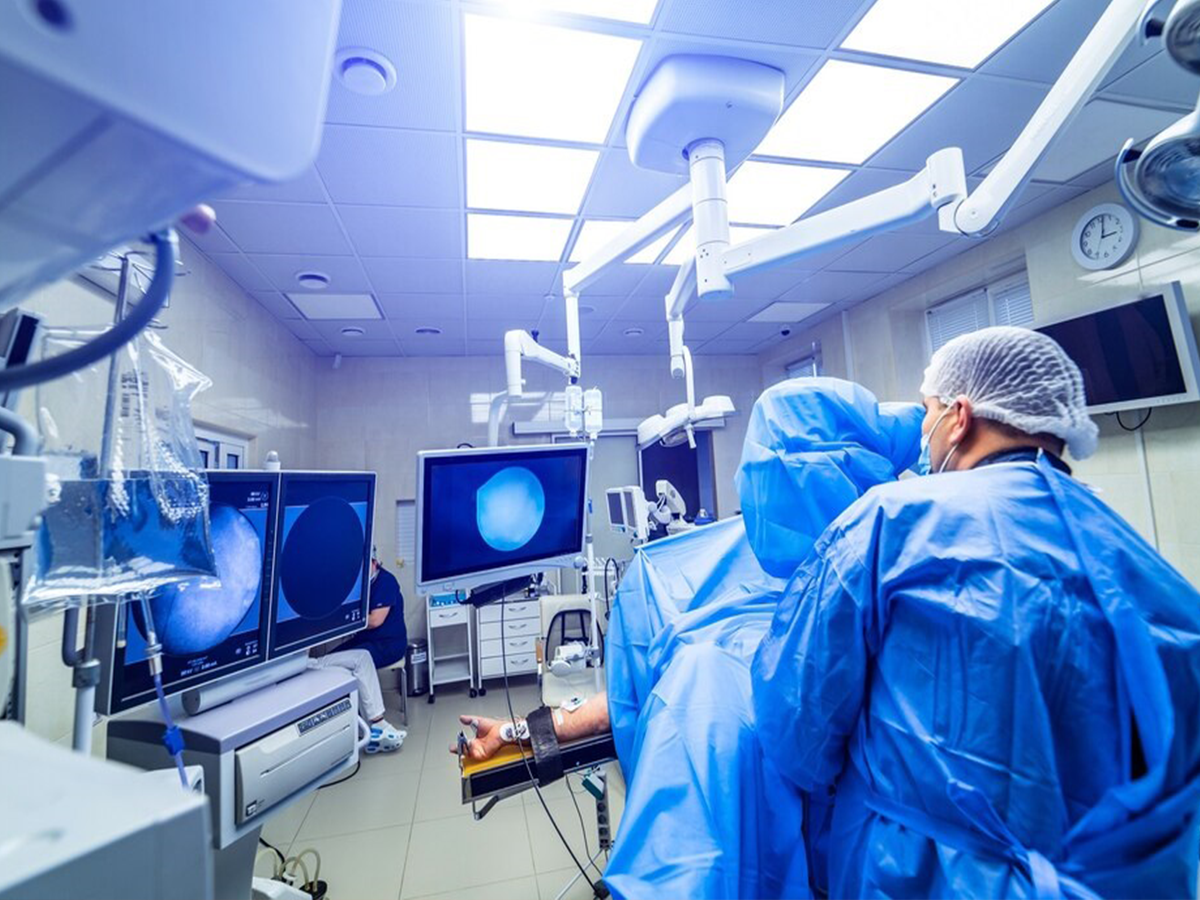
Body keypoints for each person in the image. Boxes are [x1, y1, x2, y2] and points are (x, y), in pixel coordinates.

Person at [753, 326, 1200, 898]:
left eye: (927, 411)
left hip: (920, 874)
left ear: (959, 417)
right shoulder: (1130, 550)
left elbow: (797, 727)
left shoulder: (889, 521)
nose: (922, 432)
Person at [456, 379, 924, 899]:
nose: (755, 496)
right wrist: (526, 730)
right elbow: (640, 694)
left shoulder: (894, 599)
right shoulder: (734, 581)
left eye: (771, 481)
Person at [310, 548, 409, 754]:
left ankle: (372, 724)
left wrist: (343, 621)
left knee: (357, 662)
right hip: (366, 641)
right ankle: (365, 725)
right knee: (332, 660)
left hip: (388, 644)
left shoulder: (386, 582)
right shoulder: (361, 585)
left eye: (364, 565)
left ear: (375, 562)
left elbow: (375, 620)